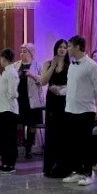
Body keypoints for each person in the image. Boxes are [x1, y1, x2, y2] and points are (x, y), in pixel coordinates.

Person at [64, 36, 97, 187]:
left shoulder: (91, 65)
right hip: (70, 109)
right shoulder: (72, 65)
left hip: (86, 110)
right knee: (73, 143)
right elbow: (71, 86)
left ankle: (88, 172)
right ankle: (77, 171)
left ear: (77, 47)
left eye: (69, 46)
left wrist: (87, 98)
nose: (67, 49)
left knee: (86, 144)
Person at [40, 40, 71, 178]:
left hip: (65, 99)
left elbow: (73, 84)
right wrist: (52, 66)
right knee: (51, 132)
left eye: (65, 47)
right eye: (60, 47)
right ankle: (49, 167)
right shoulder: (47, 63)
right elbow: (43, 81)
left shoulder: (70, 65)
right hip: (52, 100)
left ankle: (63, 167)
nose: (62, 49)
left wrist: (61, 88)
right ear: (56, 48)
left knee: (63, 133)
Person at [17, 43, 44, 160]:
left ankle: (29, 149)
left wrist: (32, 75)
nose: (22, 54)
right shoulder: (16, 65)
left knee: (32, 125)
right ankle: (20, 146)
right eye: (21, 51)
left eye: (25, 51)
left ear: (31, 53)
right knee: (19, 124)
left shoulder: (38, 65)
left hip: (33, 100)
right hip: (19, 99)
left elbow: (43, 81)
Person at [0, 48, 20, 173]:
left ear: (4, 59)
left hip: (8, 110)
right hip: (1, 109)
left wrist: (6, 97)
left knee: (9, 138)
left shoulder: (11, 73)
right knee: (2, 138)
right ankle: (5, 162)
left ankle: (10, 164)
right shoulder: (5, 72)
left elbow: (12, 93)